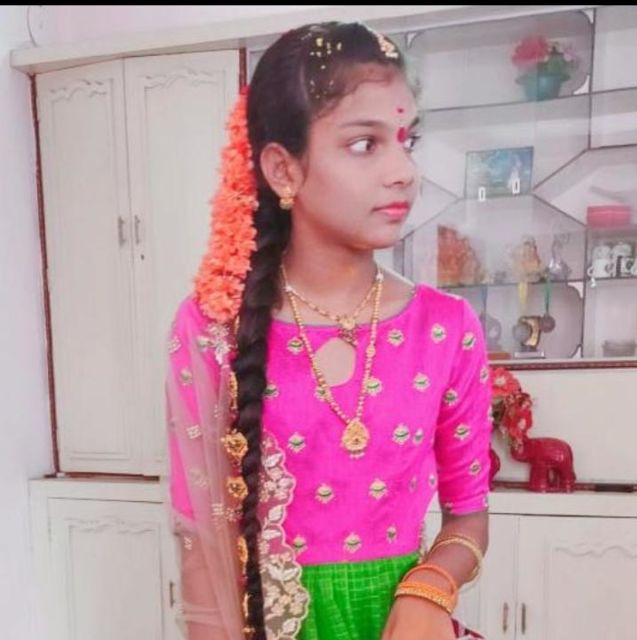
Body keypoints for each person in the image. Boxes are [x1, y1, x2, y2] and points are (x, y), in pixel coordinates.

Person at [165, 21, 491, 640]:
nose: (403, 171)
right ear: (283, 170)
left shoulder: (447, 327)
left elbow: (469, 515)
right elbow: (201, 547)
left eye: (408, 142)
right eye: (365, 144)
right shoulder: (213, 325)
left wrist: (429, 587)